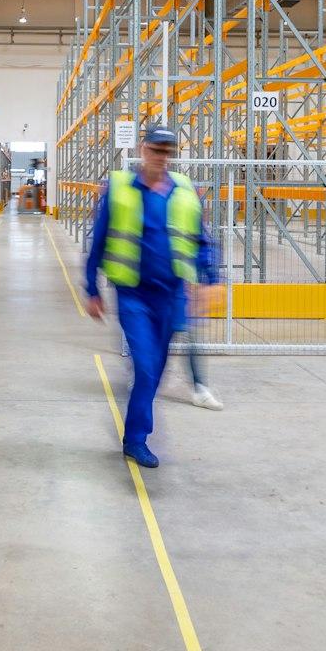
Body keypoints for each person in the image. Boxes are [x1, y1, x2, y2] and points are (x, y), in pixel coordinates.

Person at [84, 125, 218, 468]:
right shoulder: (118, 189)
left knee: (156, 370)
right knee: (145, 367)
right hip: (134, 296)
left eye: (167, 152)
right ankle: (136, 439)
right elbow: (98, 240)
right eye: (156, 150)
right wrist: (91, 287)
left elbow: (200, 241)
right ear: (143, 150)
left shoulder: (185, 191)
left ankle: (136, 431)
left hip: (173, 295)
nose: (161, 157)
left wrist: (211, 277)